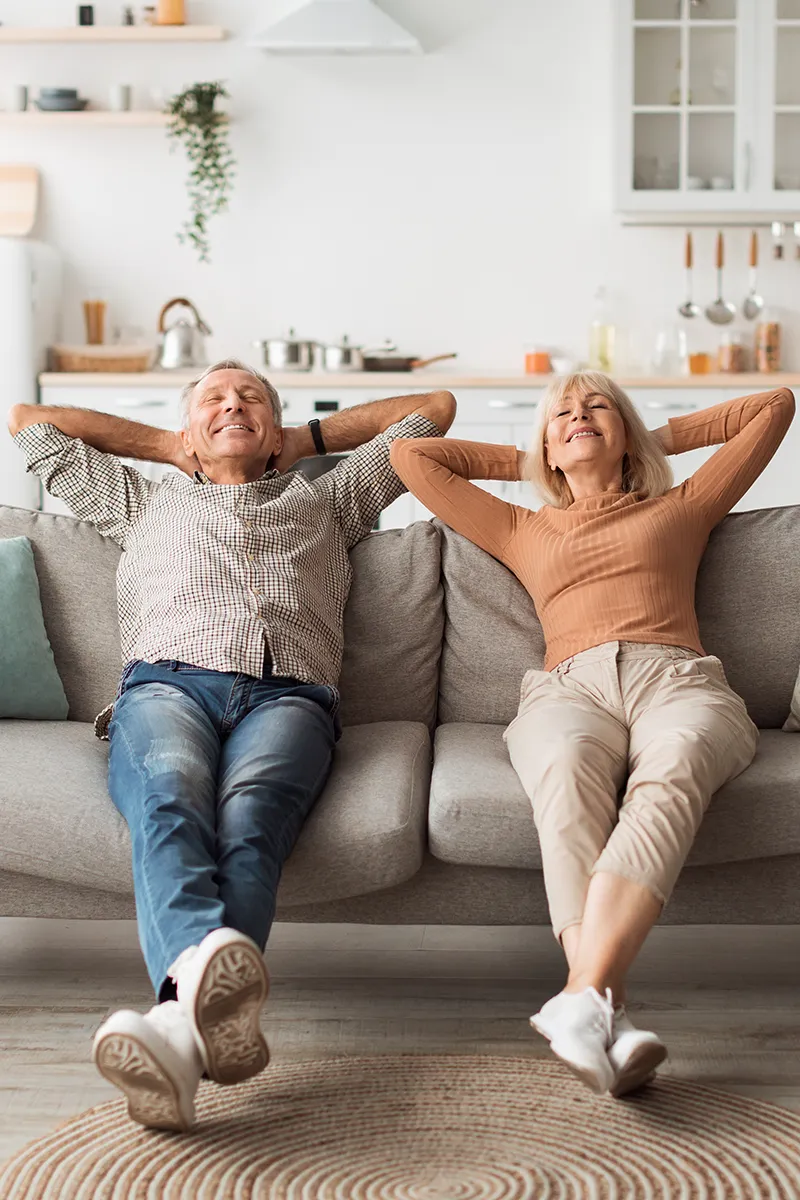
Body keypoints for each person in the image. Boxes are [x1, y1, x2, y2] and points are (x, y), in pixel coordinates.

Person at [8, 361, 456, 1132]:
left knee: (253, 820)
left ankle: (178, 1034)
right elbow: (26, 421)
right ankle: (192, 1022)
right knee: (171, 793)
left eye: (251, 398)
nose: (232, 404)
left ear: (278, 428)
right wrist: (171, 442)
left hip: (290, 697)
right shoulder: (141, 499)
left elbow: (434, 407)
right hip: (166, 690)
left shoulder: (331, 497)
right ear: (187, 428)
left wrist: (300, 440)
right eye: (212, 399)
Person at [390, 372, 794, 1098]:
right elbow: (412, 460)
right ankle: (600, 1007)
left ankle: (585, 998)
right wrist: (533, 455)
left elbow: (774, 406)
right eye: (562, 413)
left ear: (626, 430)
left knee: (677, 763)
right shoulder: (523, 527)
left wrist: (649, 438)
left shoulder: (684, 505)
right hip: (568, 690)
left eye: (596, 407)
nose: (578, 415)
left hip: (677, 681)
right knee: (567, 774)